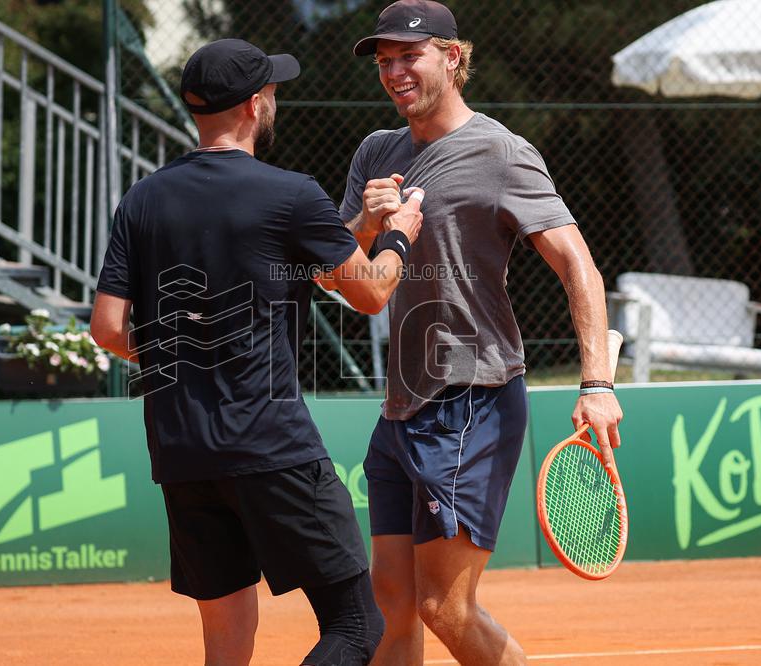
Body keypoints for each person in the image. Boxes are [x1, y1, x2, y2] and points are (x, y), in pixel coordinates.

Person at [90, 38, 425, 666]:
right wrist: (400, 236)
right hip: (270, 443)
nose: (275, 98)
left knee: (227, 635)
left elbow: (108, 329)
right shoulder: (290, 192)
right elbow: (372, 293)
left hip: (181, 448)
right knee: (355, 627)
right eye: (270, 89)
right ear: (253, 104)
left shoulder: (143, 198)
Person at [336, 2, 625, 664]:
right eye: (385, 62)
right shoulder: (375, 154)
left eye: (410, 56)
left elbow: (578, 263)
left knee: (444, 605)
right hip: (401, 406)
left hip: (472, 398)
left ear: (453, 57)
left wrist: (598, 382)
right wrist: (363, 226)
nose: (395, 72)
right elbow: (346, 286)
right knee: (392, 601)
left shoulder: (500, 152)